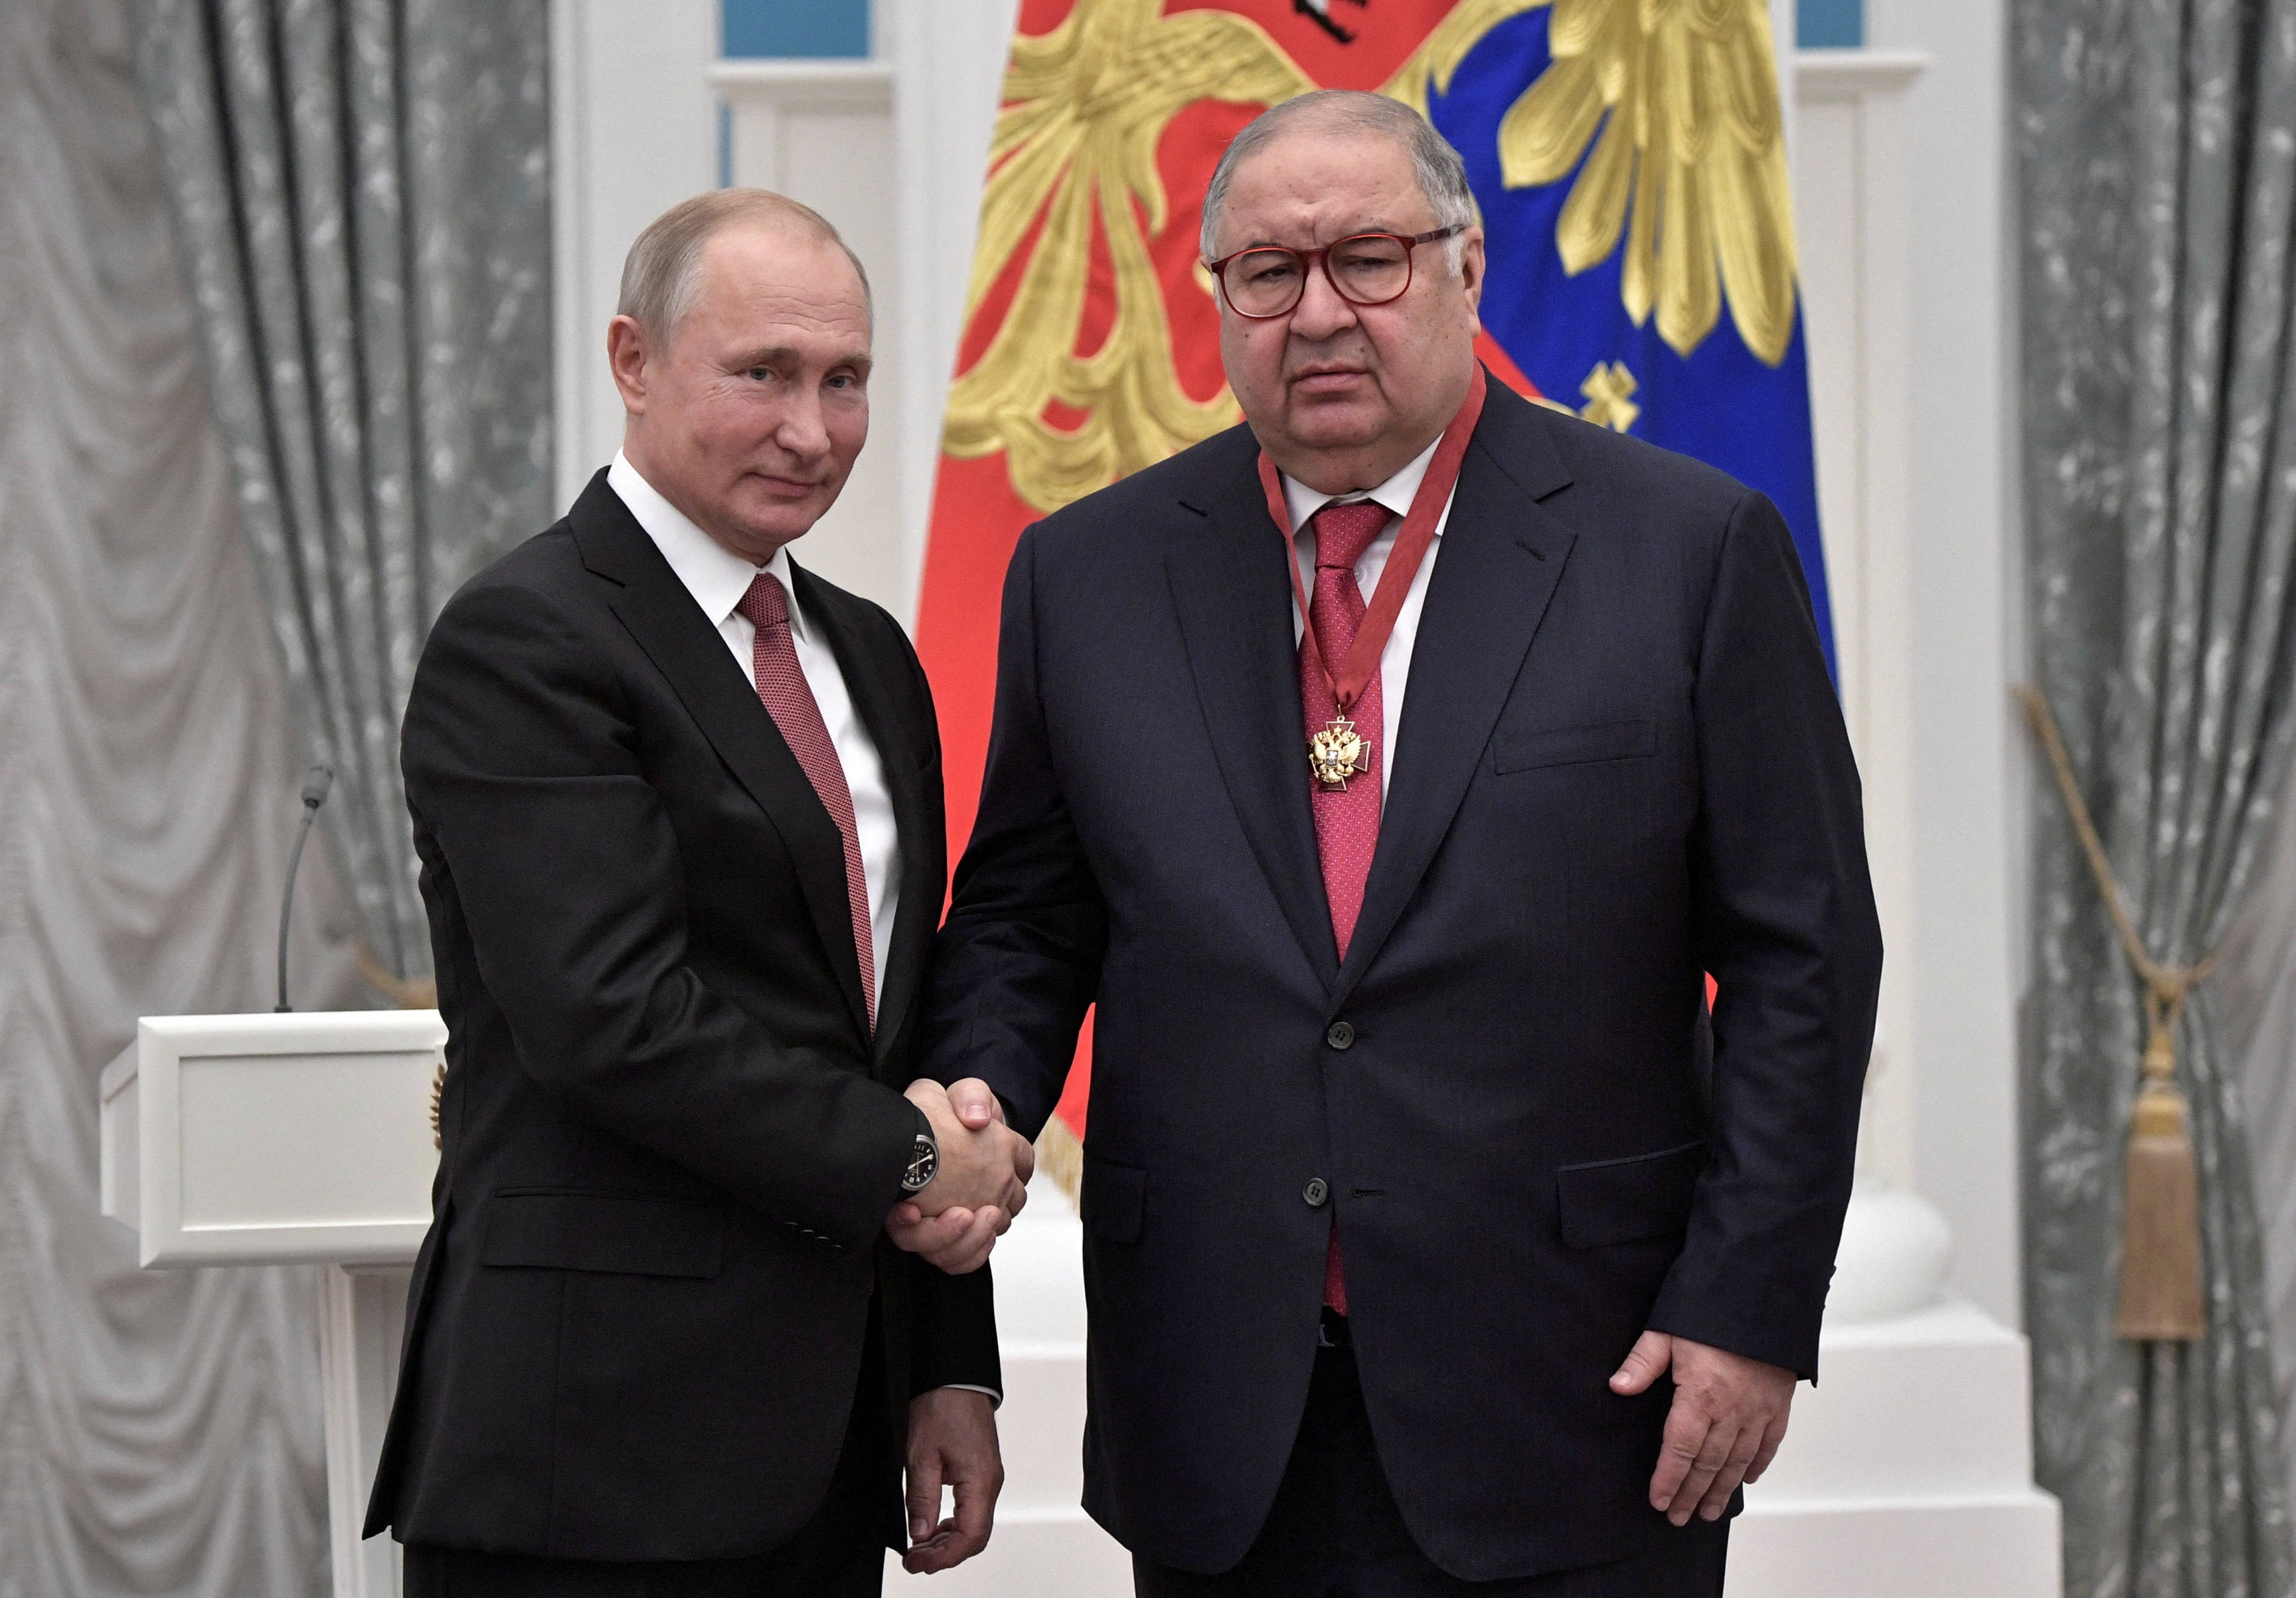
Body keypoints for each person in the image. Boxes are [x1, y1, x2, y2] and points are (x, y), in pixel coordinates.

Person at [921, 92, 1883, 1597]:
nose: (1317, 313)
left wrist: (1750, 1305)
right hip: (1219, 1410)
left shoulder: (1686, 553)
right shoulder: (1087, 575)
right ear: (1218, 297)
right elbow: (1029, 920)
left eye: (1369, 260)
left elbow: (1800, 958)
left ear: (1467, 267)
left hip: (1582, 1399)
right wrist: (973, 1097)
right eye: (1268, 272)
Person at [365, 189, 1036, 1597]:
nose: (812, 429)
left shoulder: (870, 656)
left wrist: (945, 1369)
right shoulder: (529, 637)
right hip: (587, 1458)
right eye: (763, 375)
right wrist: (915, 1160)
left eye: (844, 379)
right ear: (632, 360)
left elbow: (885, 1036)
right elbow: (609, 1019)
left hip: (827, 1452)